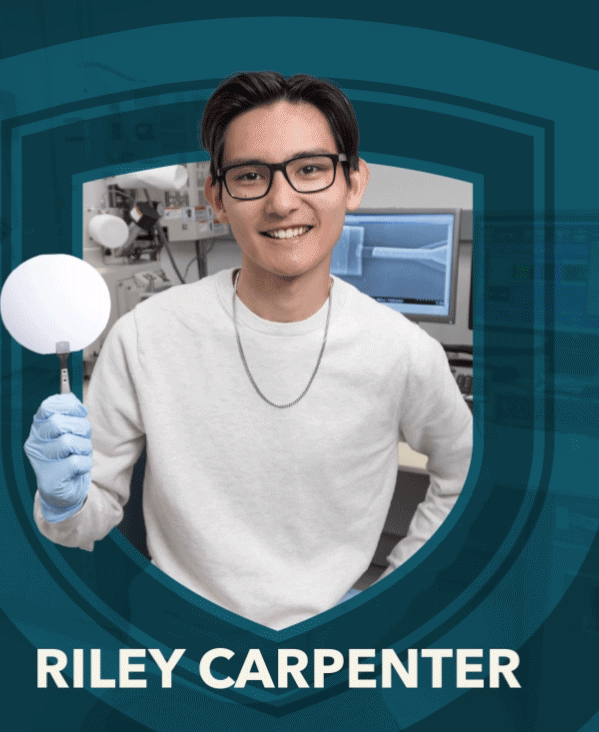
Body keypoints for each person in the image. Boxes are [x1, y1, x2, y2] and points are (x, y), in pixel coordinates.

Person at [24, 71, 473, 631]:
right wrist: (62, 500)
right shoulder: (146, 336)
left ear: (353, 182)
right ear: (217, 198)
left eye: (310, 169)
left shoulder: (403, 352)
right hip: (178, 636)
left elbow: (465, 476)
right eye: (250, 176)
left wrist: (391, 596)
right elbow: (81, 525)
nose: (282, 202)